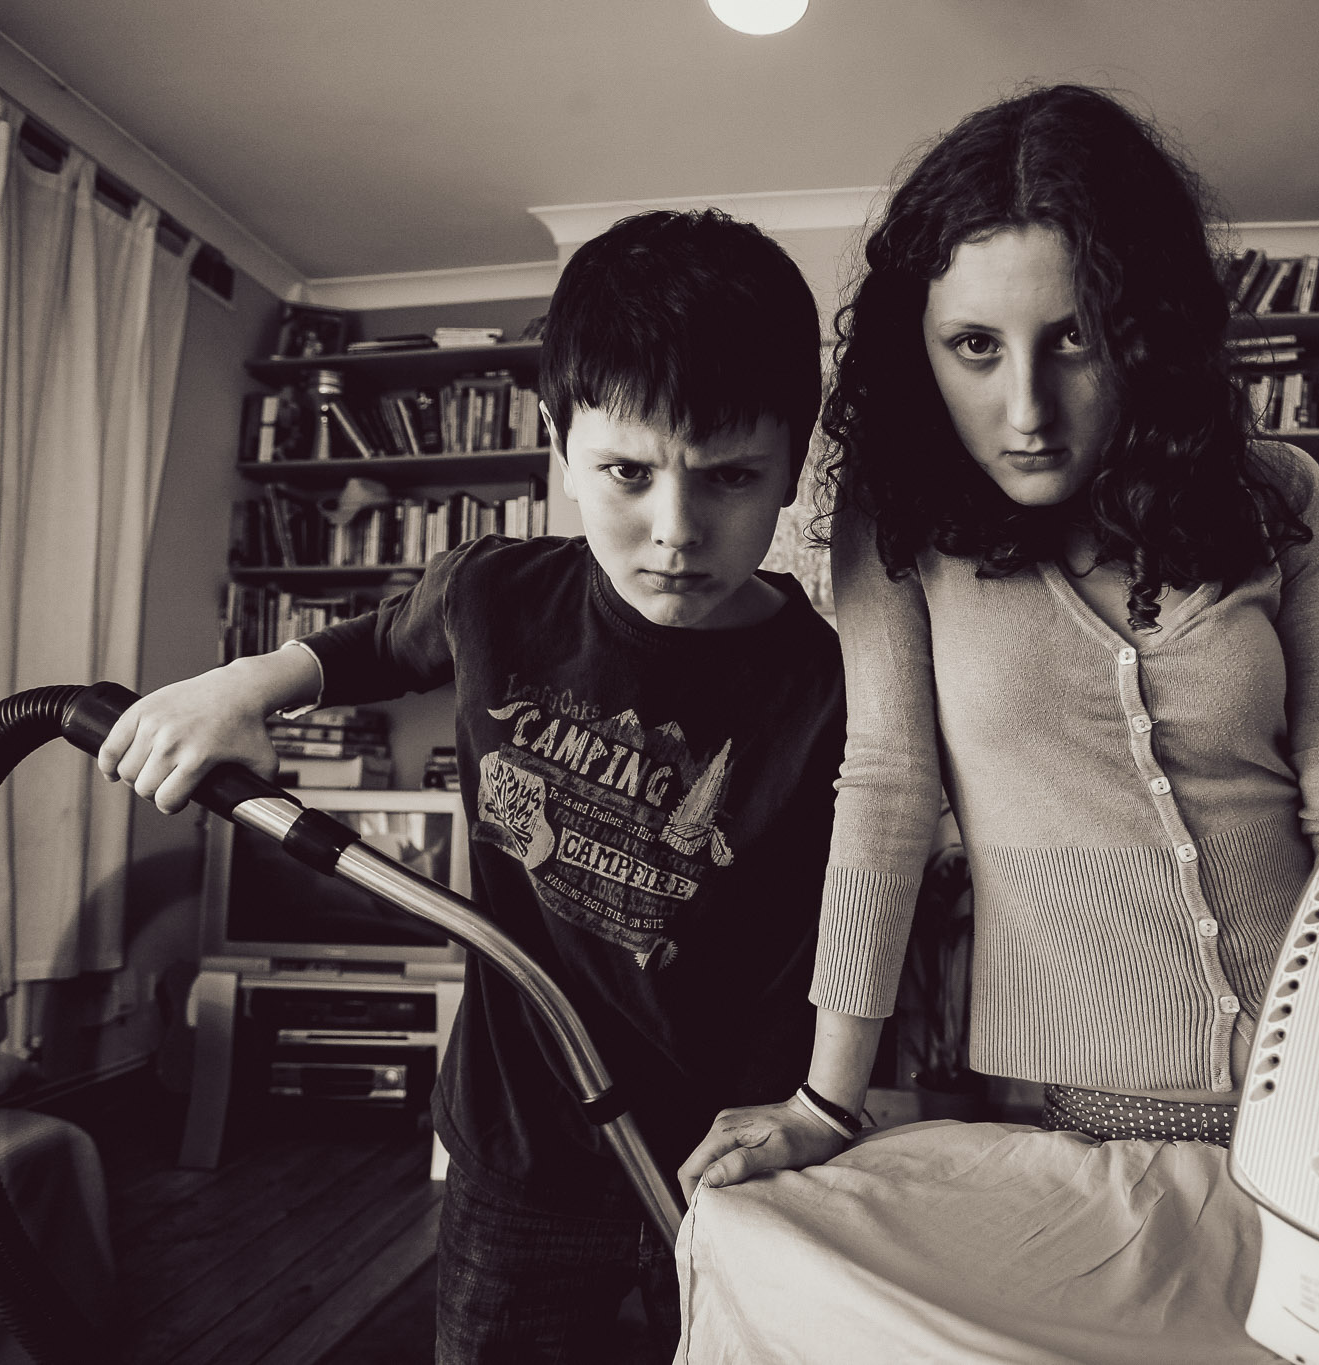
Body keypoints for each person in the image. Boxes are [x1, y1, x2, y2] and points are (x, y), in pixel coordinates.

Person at [99, 209, 844, 1363]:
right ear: (556, 439)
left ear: (793, 461)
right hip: (518, 1156)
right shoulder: (494, 592)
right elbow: (372, 641)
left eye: (730, 477)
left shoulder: (830, 678)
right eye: (626, 473)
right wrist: (246, 680)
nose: (675, 532)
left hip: (738, 1152)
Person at [679, 84, 1319, 1194]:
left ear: (1145, 333)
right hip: (1094, 1111)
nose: (1025, 408)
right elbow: (885, 793)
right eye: (973, 346)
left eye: (1074, 340)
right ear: (920, 351)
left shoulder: (1276, 494)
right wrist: (827, 1098)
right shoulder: (897, 525)